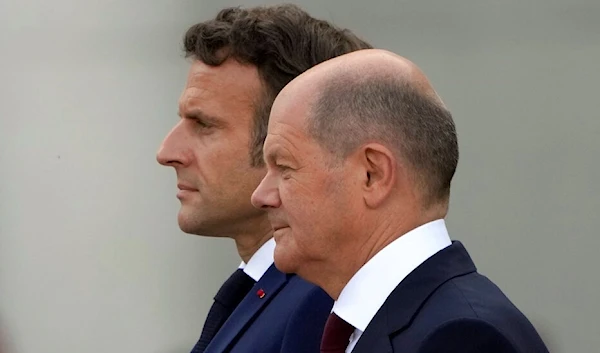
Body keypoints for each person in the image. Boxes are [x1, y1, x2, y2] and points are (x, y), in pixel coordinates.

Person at [251, 49, 550, 353]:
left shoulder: (461, 339)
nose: (260, 196)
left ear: (373, 174)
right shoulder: (330, 326)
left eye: (285, 167)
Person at [156, 4, 372, 353]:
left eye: (204, 125)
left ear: (285, 141)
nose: (167, 152)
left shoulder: (322, 306)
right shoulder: (270, 291)